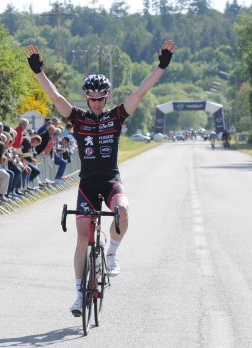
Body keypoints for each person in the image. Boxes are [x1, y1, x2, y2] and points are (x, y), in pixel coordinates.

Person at [25, 39, 176, 316]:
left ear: (106, 97)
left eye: (100, 98)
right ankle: (79, 294)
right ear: (86, 98)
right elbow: (56, 98)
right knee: (82, 238)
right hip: (86, 184)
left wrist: (161, 66)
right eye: (91, 98)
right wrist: (38, 72)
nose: (95, 103)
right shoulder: (78, 118)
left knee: (123, 210)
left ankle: (113, 253)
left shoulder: (116, 117)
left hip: (109, 180)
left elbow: (140, 93)